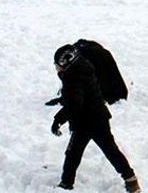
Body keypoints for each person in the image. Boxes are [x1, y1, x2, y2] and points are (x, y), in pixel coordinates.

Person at [51, 45, 140, 192]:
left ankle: (66, 184)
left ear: (67, 63)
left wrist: (58, 119)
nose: (56, 67)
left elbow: (74, 104)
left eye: (57, 64)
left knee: (73, 154)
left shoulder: (73, 78)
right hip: (99, 118)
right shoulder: (83, 68)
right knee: (111, 151)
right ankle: (131, 180)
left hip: (85, 122)